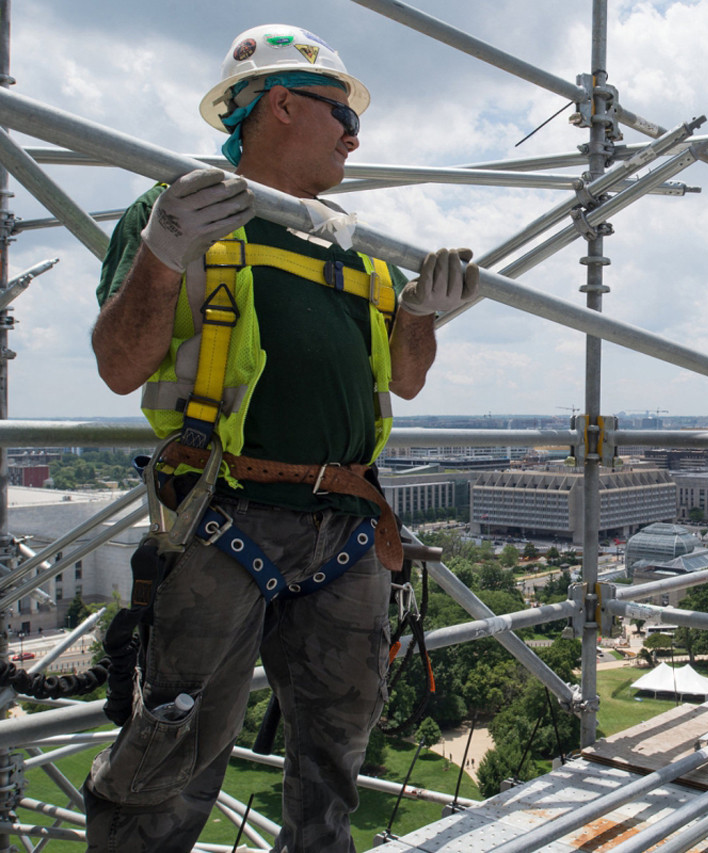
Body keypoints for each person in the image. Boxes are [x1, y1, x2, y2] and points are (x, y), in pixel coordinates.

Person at [85, 24, 477, 851]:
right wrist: (162, 253)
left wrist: (419, 315)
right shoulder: (180, 215)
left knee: (335, 746)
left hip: (345, 525)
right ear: (282, 104)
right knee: (175, 750)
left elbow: (404, 378)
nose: (354, 133)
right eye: (339, 111)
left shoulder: (355, 245)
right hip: (224, 514)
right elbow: (121, 365)